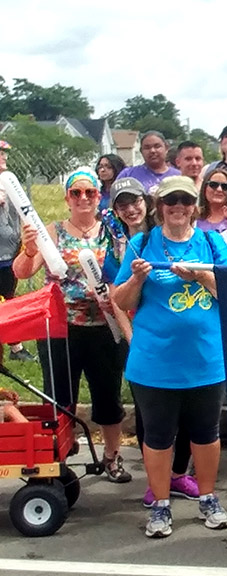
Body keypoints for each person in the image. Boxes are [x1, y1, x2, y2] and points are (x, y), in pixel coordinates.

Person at [112, 175, 227, 539]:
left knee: (206, 433)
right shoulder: (142, 242)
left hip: (206, 361)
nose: (177, 207)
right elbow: (121, 301)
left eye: (184, 200)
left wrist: (200, 277)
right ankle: (161, 505)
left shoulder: (212, 242)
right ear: (159, 207)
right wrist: (135, 280)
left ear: (194, 206)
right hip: (154, 363)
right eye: (170, 201)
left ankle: (209, 497)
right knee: (159, 436)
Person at [12, 168, 132, 484]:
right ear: (66, 198)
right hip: (60, 327)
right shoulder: (50, 231)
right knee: (59, 397)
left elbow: (125, 275)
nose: (83, 198)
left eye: (89, 192)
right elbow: (22, 272)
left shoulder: (111, 231)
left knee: (108, 396)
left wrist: (112, 294)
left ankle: (112, 455)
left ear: (97, 196)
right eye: (76, 193)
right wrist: (29, 249)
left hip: (104, 325)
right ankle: (60, 457)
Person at [101, 178, 201, 507]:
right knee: (151, 420)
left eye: (135, 202)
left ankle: (177, 474)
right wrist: (132, 337)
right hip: (143, 341)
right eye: (122, 204)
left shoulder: (160, 236)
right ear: (115, 210)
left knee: (187, 417)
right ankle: (156, 481)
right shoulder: (120, 246)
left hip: (184, 348)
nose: (130, 209)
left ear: (147, 204)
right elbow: (117, 296)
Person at [0, 140, 31, 362]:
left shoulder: (9, 181)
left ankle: (15, 347)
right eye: (0, 154)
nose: (4, 157)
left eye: (4, 153)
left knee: (9, 299)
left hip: (9, 253)